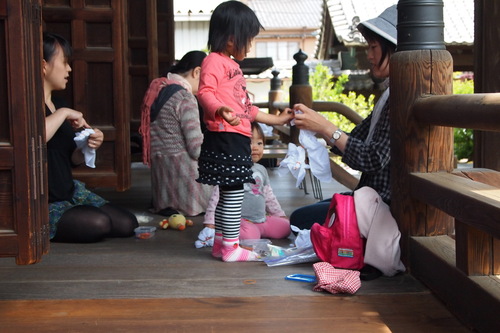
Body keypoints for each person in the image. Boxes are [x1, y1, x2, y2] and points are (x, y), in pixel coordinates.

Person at [196, 1, 294, 262]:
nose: (249, 47)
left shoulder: (233, 66)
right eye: (248, 40)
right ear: (231, 40)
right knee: (233, 193)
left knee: (228, 191)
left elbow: (248, 109)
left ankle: (220, 245)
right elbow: (204, 92)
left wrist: (275, 119)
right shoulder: (213, 62)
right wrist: (219, 110)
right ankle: (230, 247)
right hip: (225, 137)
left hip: (235, 136)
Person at [290, 5, 397, 232]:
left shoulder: (399, 97)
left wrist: (327, 128)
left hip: (382, 207)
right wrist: (319, 127)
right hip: (369, 197)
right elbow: (353, 140)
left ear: (395, 50)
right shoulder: (390, 95)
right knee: (316, 209)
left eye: (374, 47)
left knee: (299, 219)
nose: (368, 55)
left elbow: (372, 159)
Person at [43, 32, 138, 243]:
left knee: (127, 223)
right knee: (98, 224)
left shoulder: (58, 104)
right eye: (65, 62)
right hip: (43, 202)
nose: (69, 69)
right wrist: (65, 113)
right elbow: (33, 138)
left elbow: (70, 159)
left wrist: (87, 145)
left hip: (67, 191)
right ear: (43, 65)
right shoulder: (30, 106)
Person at [140, 51, 212, 217]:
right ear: (197, 72)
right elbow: (196, 150)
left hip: (163, 188)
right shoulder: (185, 97)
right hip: (186, 187)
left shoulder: (158, 89)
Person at [195, 122, 291, 248]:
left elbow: (268, 196)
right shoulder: (233, 169)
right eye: (249, 142)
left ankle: (258, 231)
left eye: (259, 143)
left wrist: (280, 215)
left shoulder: (262, 169)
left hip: (261, 220)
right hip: (241, 221)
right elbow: (217, 197)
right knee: (251, 236)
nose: (255, 147)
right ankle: (225, 233)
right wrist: (210, 222)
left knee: (286, 228)